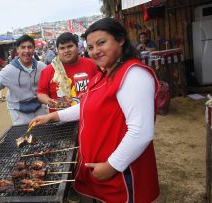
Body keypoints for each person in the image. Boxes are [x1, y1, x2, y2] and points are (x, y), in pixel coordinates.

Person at [31, 18, 160, 203]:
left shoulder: (133, 75)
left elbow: (141, 132)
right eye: (90, 47)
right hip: (105, 168)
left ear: (120, 39)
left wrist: (112, 165)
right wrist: (54, 116)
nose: (95, 51)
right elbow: (87, 106)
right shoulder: (104, 73)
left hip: (124, 173)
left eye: (102, 43)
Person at [0, 35, 47, 125]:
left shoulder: (41, 67)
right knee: (24, 134)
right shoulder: (8, 70)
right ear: (17, 50)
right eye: (23, 47)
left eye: (30, 47)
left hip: (38, 106)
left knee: (45, 128)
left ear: (34, 48)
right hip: (18, 110)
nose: (26, 51)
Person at [37, 32, 97, 108]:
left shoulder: (92, 64)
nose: (66, 51)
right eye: (62, 48)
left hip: (89, 109)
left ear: (77, 46)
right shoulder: (48, 70)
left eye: (70, 46)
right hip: (60, 115)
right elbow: (41, 93)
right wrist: (53, 102)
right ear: (57, 51)